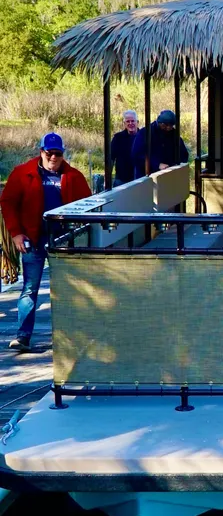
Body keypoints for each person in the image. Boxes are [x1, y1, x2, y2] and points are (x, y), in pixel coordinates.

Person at [0, 134, 90, 351]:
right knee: (30, 288)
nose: (53, 157)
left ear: (62, 154)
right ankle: (23, 336)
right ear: (41, 151)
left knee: (71, 290)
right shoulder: (23, 173)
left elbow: (87, 204)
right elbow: (8, 202)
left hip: (64, 241)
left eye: (57, 154)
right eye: (49, 153)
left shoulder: (74, 176)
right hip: (33, 240)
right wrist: (16, 233)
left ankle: (72, 336)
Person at [131, 110, 188, 179]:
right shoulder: (145, 133)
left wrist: (176, 165)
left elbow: (183, 154)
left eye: (171, 125)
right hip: (147, 177)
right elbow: (137, 155)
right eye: (166, 125)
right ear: (161, 123)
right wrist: (157, 164)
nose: (169, 128)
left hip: (169, 176)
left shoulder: (173, 134)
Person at [109, 110, 139, 185]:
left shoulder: (143, 136)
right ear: (124, 123)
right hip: (121, 180)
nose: (130, 123)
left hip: (140, 179)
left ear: (137, 122)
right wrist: (108, 177)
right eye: (128, 121)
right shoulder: (118, 138)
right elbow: (111, 158)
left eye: (133, 121)